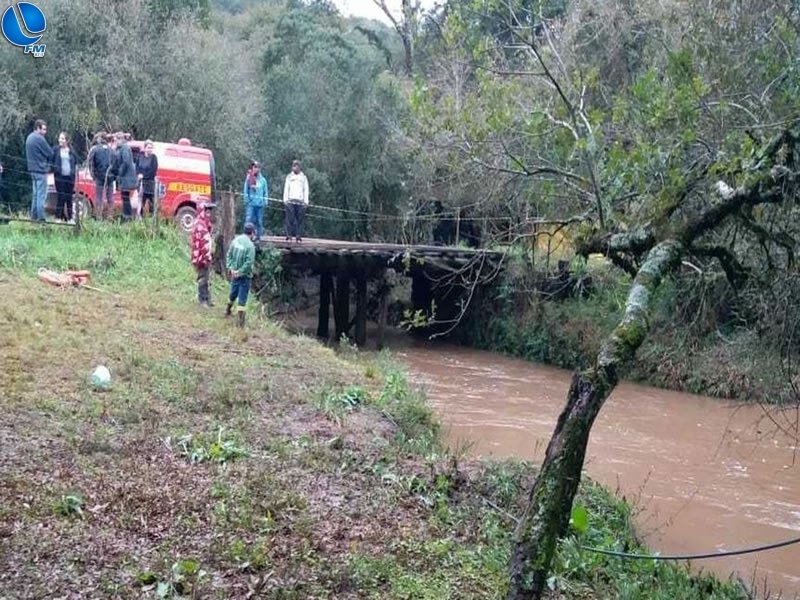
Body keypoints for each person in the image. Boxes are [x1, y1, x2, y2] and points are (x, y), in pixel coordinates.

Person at [225, 222, 257, 328]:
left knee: (233, 293)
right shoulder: (250, 246)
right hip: (244, 276)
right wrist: (240, 272)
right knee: (242, 298)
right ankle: (241, 323)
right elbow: (249, 263)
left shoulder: (235, 241)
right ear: (252, 233)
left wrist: (231, 269)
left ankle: (228, 310)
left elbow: (229, 255)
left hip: (234, 273)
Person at [25, 119, 51, 222]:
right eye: (43, 129)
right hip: (40, 170)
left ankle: (33, 217)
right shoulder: (39, 139)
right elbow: (49, 153)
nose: (45, 132)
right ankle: (41, 218)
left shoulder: (29, 138)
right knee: (41, 195)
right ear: (38, 128)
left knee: (35, 195)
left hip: (32, 170)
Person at [190, 202, 216, 307]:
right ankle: (202, 299)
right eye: (207, 212)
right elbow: (202, 243)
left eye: (210, 212)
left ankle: (207, 298)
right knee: (202, 277)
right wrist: (205, 257)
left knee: (207, 277)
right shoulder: (200, 225)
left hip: (205, 255)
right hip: (200, 257)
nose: (209, 214)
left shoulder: (205, 224)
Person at [51, 132, 78, 222]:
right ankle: (58, 217)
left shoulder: (72, 151)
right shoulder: (55, 150)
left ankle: (70, 218)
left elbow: (76, 162)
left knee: (69, 198)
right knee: (61, 197)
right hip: (59, 177)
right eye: (60, 138)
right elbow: (51, 161)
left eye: (62, 139)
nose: (60, 140)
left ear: (67, 140)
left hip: (69, 178)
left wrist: (74, 173)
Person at [283, 159, 309, 242]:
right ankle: (289, 235)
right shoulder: (289, 177)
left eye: (296, 166)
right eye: (293, 166)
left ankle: (298, 235)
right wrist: (285, 200)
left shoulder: (303, 177)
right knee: (289, 219)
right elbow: (286, 188)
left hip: (300, 201)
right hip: (290, 200)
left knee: (299, 220)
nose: (294, 167)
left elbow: (306, 190)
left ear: (299, 167)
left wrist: (306, 202)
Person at [114, 132, 138, 221]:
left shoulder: (124, 148)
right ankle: (126, 215)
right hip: (126, 177)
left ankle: (127, 217)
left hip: (127, 177)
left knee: (125, 197)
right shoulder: (123, 147)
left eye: (116, 139)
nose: (115, 141)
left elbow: (126, 161)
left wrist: (120, 172)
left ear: (119, 139)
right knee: (125, 197)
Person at [89, 133, 113, 219]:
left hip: (99, 177)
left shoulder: (94, 149)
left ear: (99, 139)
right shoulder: (111, 149)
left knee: (99, 197)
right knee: (110, 197)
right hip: (110, 176)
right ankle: (110, 216)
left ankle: (99, 216)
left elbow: (90, 163)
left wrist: (93, 176)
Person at [242, 160, 267, 239]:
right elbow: (246, 190)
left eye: (257, 167)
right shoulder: (249, 178)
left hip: (260, 204)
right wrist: (246, 200)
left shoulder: (263, 180)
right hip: (251, 204)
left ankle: (258, 237)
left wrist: (265, 201)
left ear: (259, 169)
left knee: (259, 222)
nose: (255, 169)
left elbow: (265, 192)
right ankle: (246, 237)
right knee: (248, 220)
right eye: (254, 167)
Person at [137, 139, 158, 217]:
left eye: (151, 148)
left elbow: (153, 171)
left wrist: (143, 176)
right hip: (140, 184)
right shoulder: (140, 156)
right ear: (145, 148)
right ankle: (139, 219)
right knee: (140, 203)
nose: (150, 149)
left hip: (150, 185)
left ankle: (151, 221)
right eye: (148, 147)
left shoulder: (154, 158)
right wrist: (138, 174)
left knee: (152, 205)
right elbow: (137, 167)